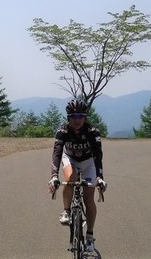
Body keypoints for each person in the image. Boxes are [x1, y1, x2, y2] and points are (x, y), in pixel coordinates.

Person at [48, 99, 107, 252]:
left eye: (80, 116)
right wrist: (54, 175)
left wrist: (100, 177)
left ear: (85, 117)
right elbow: (57, 153)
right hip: (71, 159)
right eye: (73, 116)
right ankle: (67, 210)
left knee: (89, 199)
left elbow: (97, 155)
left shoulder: (92, 132)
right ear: (68, 118)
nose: (77, 120)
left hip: (88, 163)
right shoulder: (62, 131)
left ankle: (89, 236)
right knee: (70, 179)